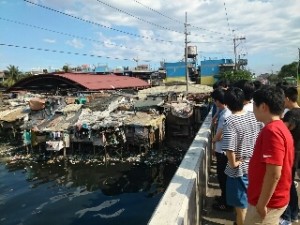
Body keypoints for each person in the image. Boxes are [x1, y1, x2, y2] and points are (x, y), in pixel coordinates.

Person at [244, 86, 294, 225]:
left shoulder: (271, 131)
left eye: (254, 104)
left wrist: (261, 204)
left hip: (267, 203)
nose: (252, 108)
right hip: (271, 199)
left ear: (263, 107)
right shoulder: (280, 127)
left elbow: (274, 173)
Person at [222, 87, 263, 225]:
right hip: (253, 165)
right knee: (250, 202)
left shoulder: (231, 121)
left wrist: (233, 163)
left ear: (227, 104)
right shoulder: (253, 116)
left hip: (239, 170)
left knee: (241, 207)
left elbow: (229, 148)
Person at [279, 87, 300, 225]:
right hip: (298, 153)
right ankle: (295, 213)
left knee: (286, 184)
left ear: (287, 98)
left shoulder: (291, 115)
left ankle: (287, 216)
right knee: (291, 183)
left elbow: (282, 131)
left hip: (292, 153)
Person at [211, 88, 232, 211]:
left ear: (218, 101)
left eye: (215, 100)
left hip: (223, 152)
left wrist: (213, 141)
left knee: (223, 178)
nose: (214, 103)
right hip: (223, 150)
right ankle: (224, 198)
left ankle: (226, 204)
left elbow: (220, 135)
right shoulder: (225, 111)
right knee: (222, 177)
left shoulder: (225, 115)